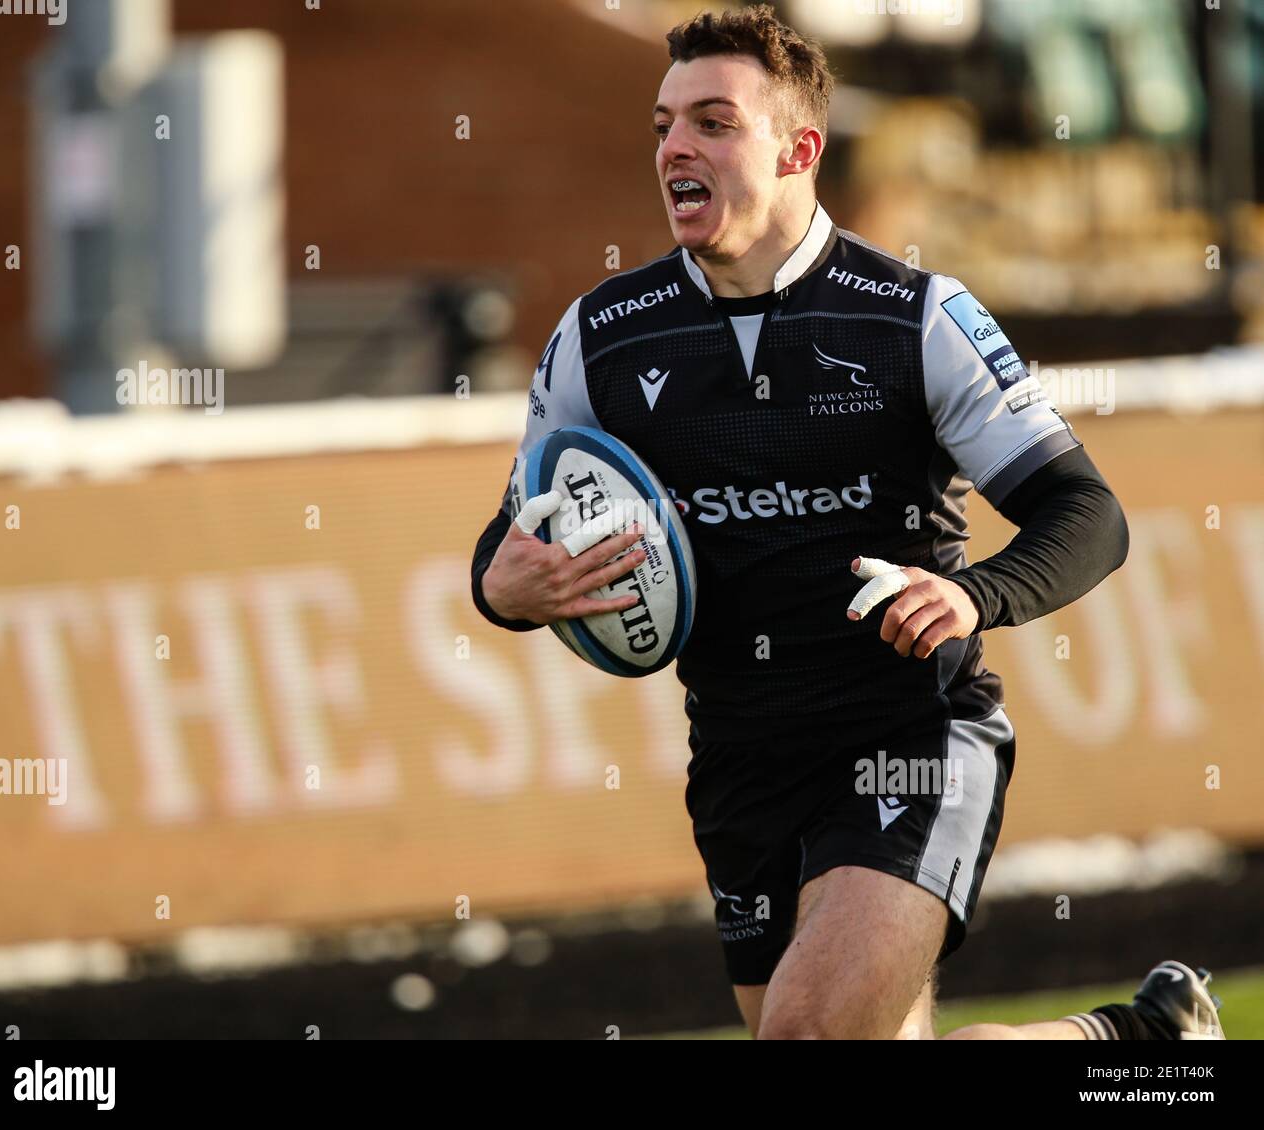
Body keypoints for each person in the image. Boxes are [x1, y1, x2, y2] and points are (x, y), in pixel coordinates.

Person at [469, 4, 1222, 1041]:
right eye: (664, 124)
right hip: (738, 761)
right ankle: (1134, 1042)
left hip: (907, 737)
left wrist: (973, 594)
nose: (676, 146)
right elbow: (510, 538)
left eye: (714, 122)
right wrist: (501, 589)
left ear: (799, 150)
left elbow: (1086, 512)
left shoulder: (913, 317)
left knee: (807, 1032)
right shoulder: (600, 337)